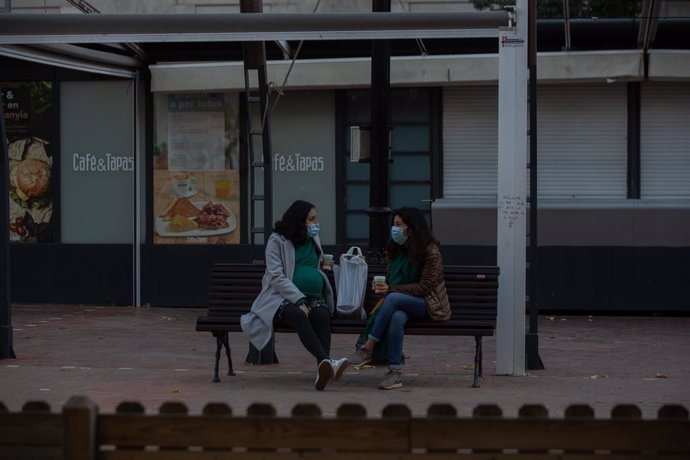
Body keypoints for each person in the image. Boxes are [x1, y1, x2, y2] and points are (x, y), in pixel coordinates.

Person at [240, 200, 347, 391]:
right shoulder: (277, 240)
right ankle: (327, 362)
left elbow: (309, 264)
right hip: (280, 297)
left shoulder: (313, 238)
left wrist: (323, 268)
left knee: (322, 315)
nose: (316, 223)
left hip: (312, 295)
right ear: (299, 221)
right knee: (300, 315)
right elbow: (276, 275)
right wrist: (298, 299)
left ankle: (321, 370)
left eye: (316, 218)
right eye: (311, 219)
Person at [345, 207, 450, 390]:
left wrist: (391, 290)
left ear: (411, 227)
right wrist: (383, 287)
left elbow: (425, 287)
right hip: (403, 303)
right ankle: (395, 373)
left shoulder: (430, 251)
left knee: (393, 298)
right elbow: (393, 280)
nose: (395, 229)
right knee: (396, 318)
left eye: (398, 225)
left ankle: (368, 346)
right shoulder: (395, 249)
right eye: (394, 224)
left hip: (428, 303)